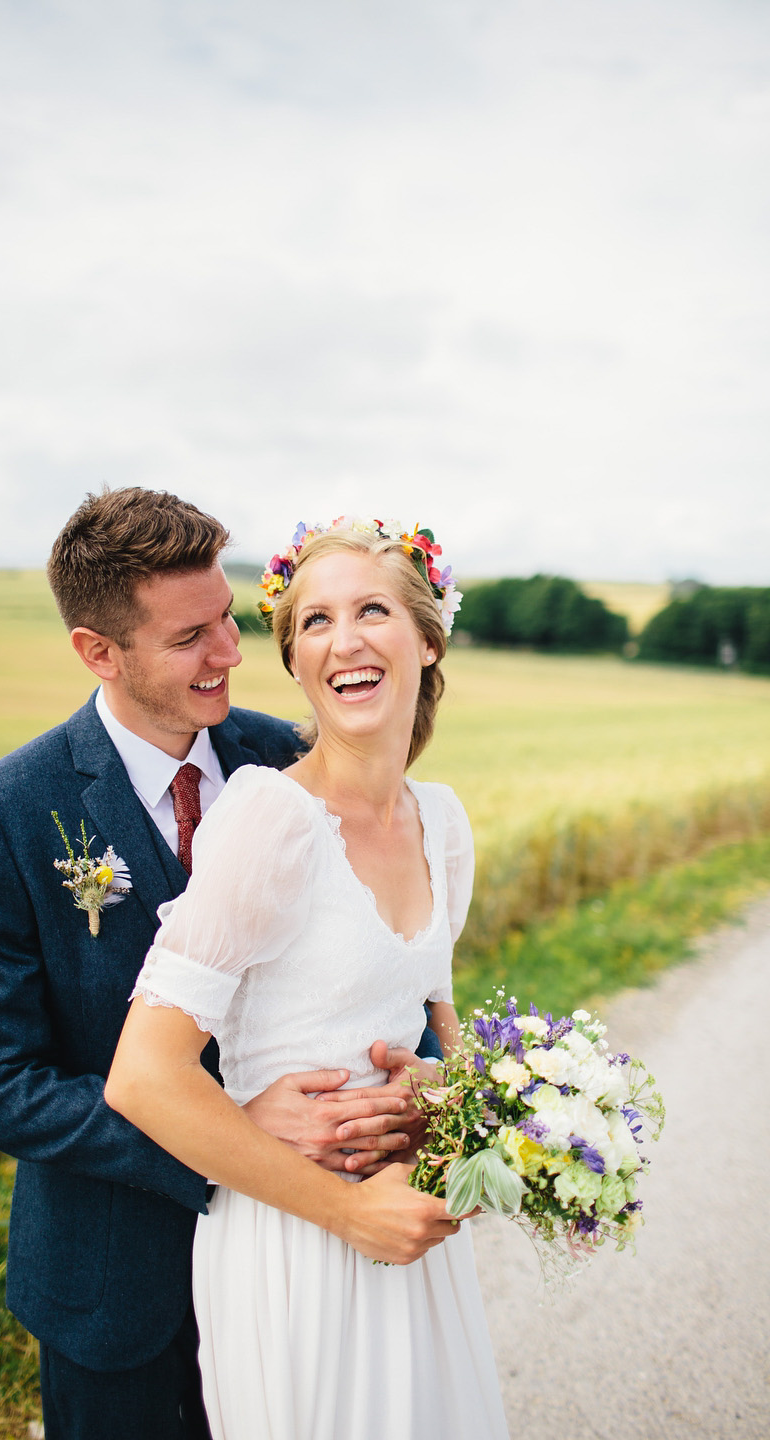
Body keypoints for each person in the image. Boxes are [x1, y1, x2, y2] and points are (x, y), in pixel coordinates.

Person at [0, 489, 454, 1440]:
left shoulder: (283, 752)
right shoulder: (4, 815)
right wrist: (224, 1131)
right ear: (100, 651)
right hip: (117, 1284)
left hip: (301, 1262)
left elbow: (370, 952)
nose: (230, 652)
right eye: (191, 638)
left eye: (228, 617)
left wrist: (416, 1075)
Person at [104, 516, 510, 1439]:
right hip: (294, 1240)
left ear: (429, 636)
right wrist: (350, 1213)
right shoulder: (269, 820)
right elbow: (143, 1076)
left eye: (372, 609)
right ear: (295, 659)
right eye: (315, 621)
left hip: (411, 1227)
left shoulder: (442, 823)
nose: (345, 639)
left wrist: (449, 1100)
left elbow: (442, 1041)